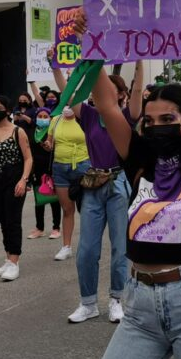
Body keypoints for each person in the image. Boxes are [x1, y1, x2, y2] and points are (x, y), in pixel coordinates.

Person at [83, 0, 181, 359]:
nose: (157, 126)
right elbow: (107, 106)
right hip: (139, 304)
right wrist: (90, 42)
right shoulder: (140, 159)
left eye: (169, 119)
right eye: (150, 120)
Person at [49, 54, 143, 324]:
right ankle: (88, 302)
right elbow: (67, 94)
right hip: (92, 184)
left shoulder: (127, 115)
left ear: (121, 95)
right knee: (87, 249)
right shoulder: (89, 116)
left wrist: (139, 61)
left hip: (118, 184)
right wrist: (56, 65)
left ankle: (116, 299)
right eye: (97, 89)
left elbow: (138, 89)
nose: (99, 93)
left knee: (119, 248)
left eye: (107, 90)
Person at [0, 95, 33, 282]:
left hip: (15, 177)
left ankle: (14, 260)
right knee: (3, 219)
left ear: (8, 110)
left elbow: (28, 157)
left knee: (13, 219)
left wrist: (23, 180)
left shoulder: (17, 131)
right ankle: (7, 257)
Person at [48, 103, 90, 261]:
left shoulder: (84, 118)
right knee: (66, 209)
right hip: (59, 167)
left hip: (82, 166)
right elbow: (50, 141)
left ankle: (87, 245)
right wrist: (47, 145)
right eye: (65, 103)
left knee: (86, 208)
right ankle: (66, 247)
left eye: (71, 103)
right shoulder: (56, 120)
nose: (67, 106)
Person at [27, 108, 62, 240]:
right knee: (39, 200)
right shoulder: (32, 133)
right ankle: (39, 228)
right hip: (36, 170)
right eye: (40, 116)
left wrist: (50, 147)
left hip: (51, 169)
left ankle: (56, 228)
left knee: (54, 200)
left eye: (45, 116)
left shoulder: (52, 132)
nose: (42, 118)